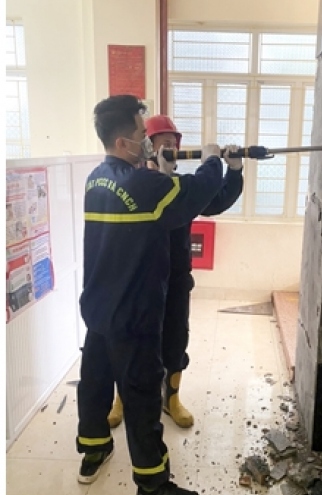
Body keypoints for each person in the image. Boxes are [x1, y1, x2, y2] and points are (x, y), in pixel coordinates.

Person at [77, 94, 224, 495]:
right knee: (142, 397)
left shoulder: (95, 180)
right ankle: (153, 483)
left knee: (94, 385)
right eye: (142, 133)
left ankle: (94, 449)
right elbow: (196, 191)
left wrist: (162, 171)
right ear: (122, 142)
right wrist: (213, 159)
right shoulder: (145, 185)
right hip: (134, 316)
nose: (147, 140)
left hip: (99, 310)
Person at [106, 115, 244, 429]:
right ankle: (122, 398)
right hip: (137, 280)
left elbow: (215, 200)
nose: (169, 147)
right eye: (162, 141)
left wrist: (234, 171)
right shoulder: (130, 184)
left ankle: (171, 399)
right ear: (146, 145)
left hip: (175, 277)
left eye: (173, 142)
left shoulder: (181, 187)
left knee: (175, 339)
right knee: (131, 340)